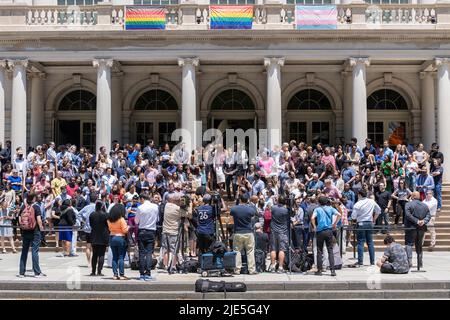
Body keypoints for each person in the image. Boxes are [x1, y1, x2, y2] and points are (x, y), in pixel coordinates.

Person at [310, 196, 341, 276]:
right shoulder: (330, 208)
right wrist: (334, 224)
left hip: (320, 231)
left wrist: (314, 226)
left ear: (319, 202)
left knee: (319, 250)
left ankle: (319, 270)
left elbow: (312, 218)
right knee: (330, 250)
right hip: (329, 230)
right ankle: (332, 270)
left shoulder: (317, 209)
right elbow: (339, 214)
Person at [18, 193, 46, 278]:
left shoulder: (23, 207)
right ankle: (37, 272)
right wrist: (41, 228)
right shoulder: (36, 207)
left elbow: (19, 218)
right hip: (35, 231)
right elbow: (38, 219)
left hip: (25, 231)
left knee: (24, 251)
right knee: (35, 251)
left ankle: (21, 273)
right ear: (33, 199)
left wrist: (23, 227)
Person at [351, 189, 381, 267]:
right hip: (370, 223)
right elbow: (378, 210)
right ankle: (372, 262)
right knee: (370, 242)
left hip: (361, 223)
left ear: (359, 195)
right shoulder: (371, 201)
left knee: (360, 242)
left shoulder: (357, 204)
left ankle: (360, 262)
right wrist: (374, 219)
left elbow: (353, 216)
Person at [230, 194, 258, 275]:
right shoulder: (250, 209)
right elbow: (254, 214)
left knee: (237, 251)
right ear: (247, 200)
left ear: (240, 200)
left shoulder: (235, 209)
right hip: (248, 232)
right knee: (250, 251)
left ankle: (237, 269)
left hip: (238, 232)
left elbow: (231, 213)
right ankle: (251, 269)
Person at [135, 193, 159, 281]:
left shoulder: (140, 207)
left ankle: (141, 273)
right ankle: (148, 273)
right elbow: (157, 219)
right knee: (149, 253)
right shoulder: (155, 207)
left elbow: (136, 221)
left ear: (142, 199)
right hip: (151, 231)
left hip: (142, 231)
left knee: (142, 253)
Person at [404, 191, 431, 269]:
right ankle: (420, 263)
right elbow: (428, 215)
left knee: (409, 244)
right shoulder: (425, 205)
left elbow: (408, 215)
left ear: (412, 196)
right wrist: (423, 221)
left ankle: (409, 262)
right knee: (419, 245)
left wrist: (417, 221)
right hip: (421, 228)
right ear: (419, 197)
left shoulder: (408, 204)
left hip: (411, 227)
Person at [107, 203, 129, 280]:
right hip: (120, 238)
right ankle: (122, 275)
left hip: (112, 237)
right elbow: (125, 230)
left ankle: (115, 275)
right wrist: (128, 227)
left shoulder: (109, 219)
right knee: (121, 257)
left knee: (114, 257)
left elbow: (109, 229)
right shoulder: (121, 219)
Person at [268, 195, 290, 273]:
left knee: (273, 249)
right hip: (283, 231)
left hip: (274, 230)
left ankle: (272, 266)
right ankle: (280, 267)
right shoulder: (286, 210)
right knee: (282, 249)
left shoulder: (273, 208)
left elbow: (269, 207)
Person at [89, 201, 109, 276]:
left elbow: (91, 224)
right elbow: (108, 225)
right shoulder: (105, 215)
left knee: (94, 254)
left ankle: (93, 271)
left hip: (94, 235)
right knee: (101, 254)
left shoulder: (92, 214)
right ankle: (99, 271)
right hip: (103, 236)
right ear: (102, 207)